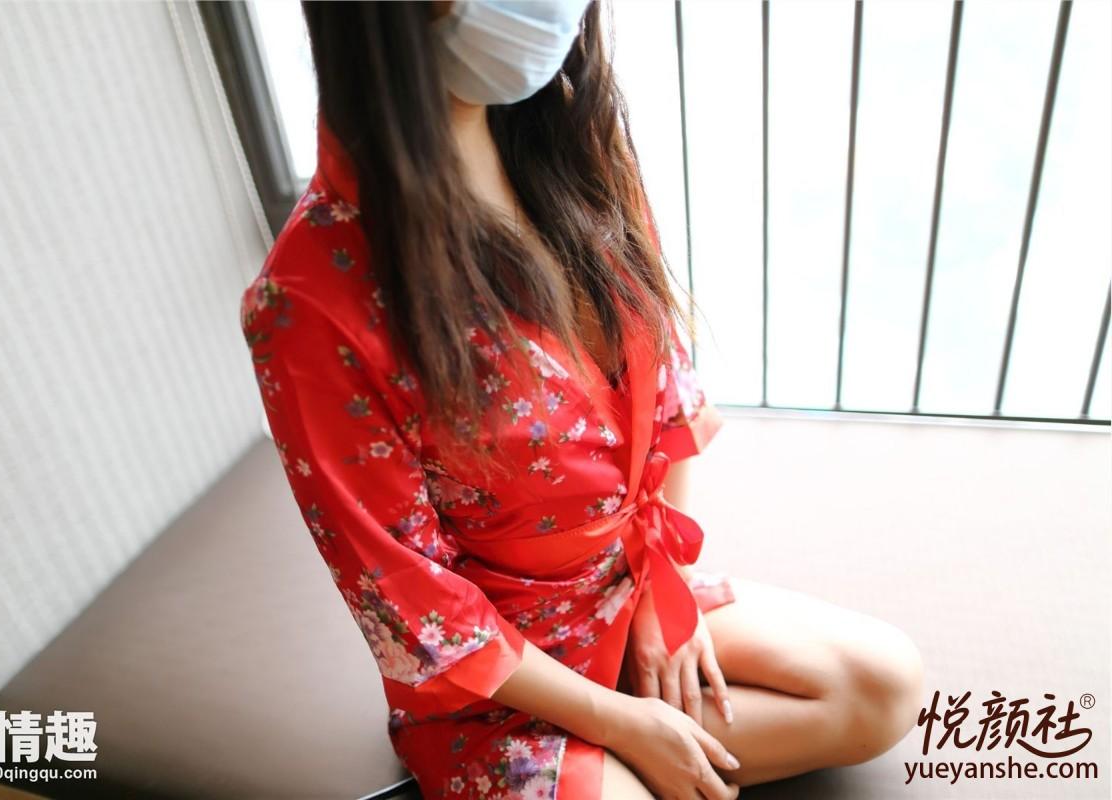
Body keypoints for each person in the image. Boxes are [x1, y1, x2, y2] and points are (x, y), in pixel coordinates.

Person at [239, 2, 925, 797]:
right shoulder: (307, 302)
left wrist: (659, 595)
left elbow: (666, 395)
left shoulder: (573, 142)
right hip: (500, 682)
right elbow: (414, 604)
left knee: (884, 687)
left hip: (625, 585)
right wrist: (621, 722)